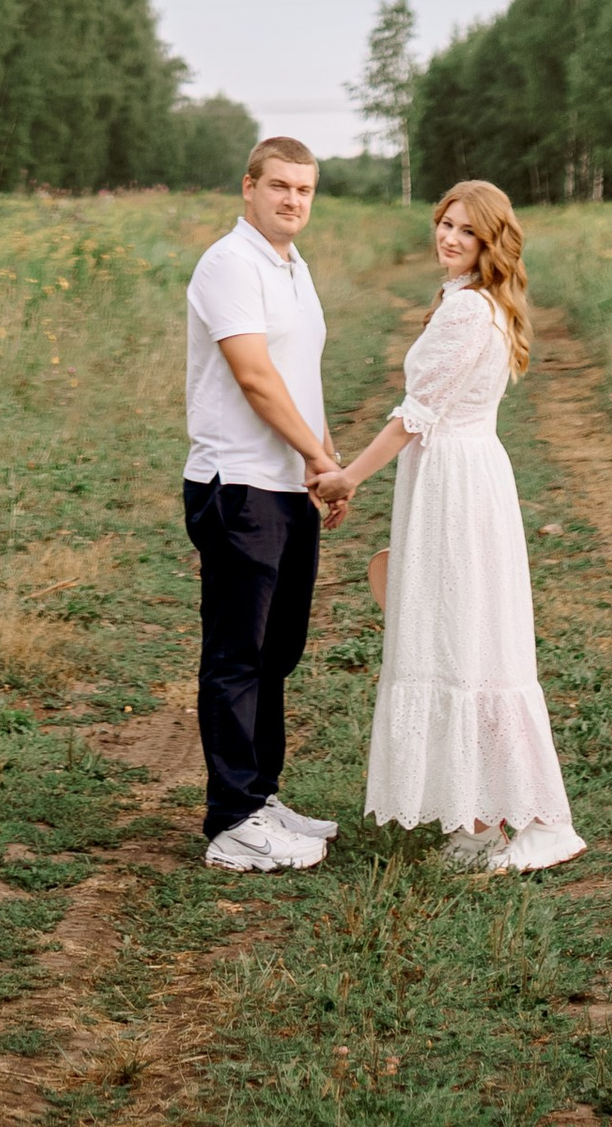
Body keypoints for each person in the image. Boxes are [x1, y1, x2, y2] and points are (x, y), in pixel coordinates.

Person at [322, 178, 582, 873]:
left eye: (466, 231)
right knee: (466, 634)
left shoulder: (468, 312)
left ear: (490, 242)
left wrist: (349, 476)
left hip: (456, 483)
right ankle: (482, 813)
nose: (448, 237)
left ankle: (506, 820)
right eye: (444, 223)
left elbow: (415, 415)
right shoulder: (469, 301)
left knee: (464, 637)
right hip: (461, 475)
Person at [181, 134, 349, 872]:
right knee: (237, 654)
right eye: (278, 186)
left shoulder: (292, 265)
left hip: (289, 485)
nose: (292, 200)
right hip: (239, 483)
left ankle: (262, 798)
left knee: (276, 652)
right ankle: (230, 820)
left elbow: (294, 373)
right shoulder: (229, 264)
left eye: (304, 190)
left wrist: (324, 453)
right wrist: (312, 455)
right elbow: (252, 376)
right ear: (248, 187)